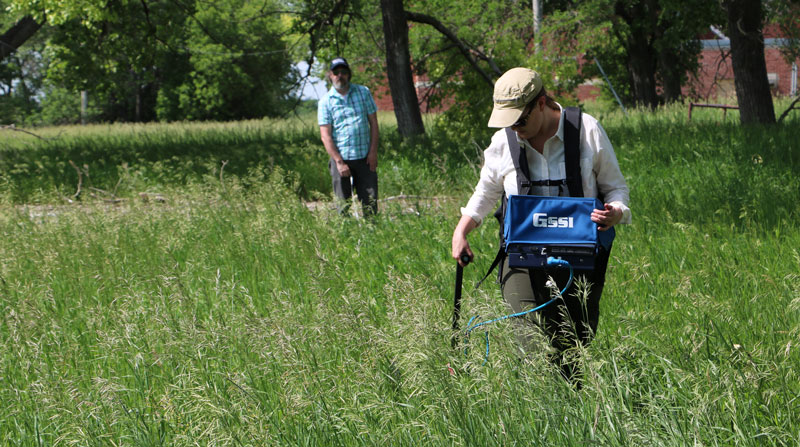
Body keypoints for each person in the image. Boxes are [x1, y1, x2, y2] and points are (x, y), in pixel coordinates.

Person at [451, 67, 631, 384]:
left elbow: (616, 189)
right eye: (508, 122)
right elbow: (486, 192)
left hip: (580, 257)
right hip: (520, 256)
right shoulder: (503, 142)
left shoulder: (586, 131)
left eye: (520, 120)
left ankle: (571, 415)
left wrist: (615, 212)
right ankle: (538, 409)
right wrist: (462, 230)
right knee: (531, 345)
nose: (515, 129)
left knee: (573, 348)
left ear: (541, 103)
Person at [318, 57, 380, 216]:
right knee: (342, 206)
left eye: (343, 72)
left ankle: (372, 234)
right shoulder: (325, 102)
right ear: (330, 75)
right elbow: (325, 136)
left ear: (349, 74)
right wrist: (339, 162)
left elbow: (373, 123)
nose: (340, 76)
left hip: (365, 158)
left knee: (370, 203)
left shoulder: (363, 92)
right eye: (336, 72)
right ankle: (346, 236)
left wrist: (373, 152)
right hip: (341, 160)